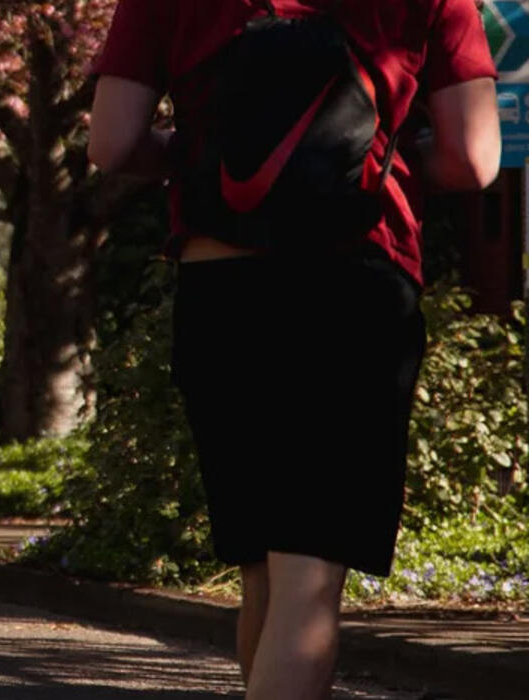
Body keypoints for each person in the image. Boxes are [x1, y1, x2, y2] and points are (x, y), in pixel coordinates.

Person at [87, 1, 499, 698]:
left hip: (222, 290)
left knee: (266, 579)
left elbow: (112, 143)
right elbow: (473, 157)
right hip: (353, 289)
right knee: (307, 586)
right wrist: (378, 161)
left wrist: (196, 159)